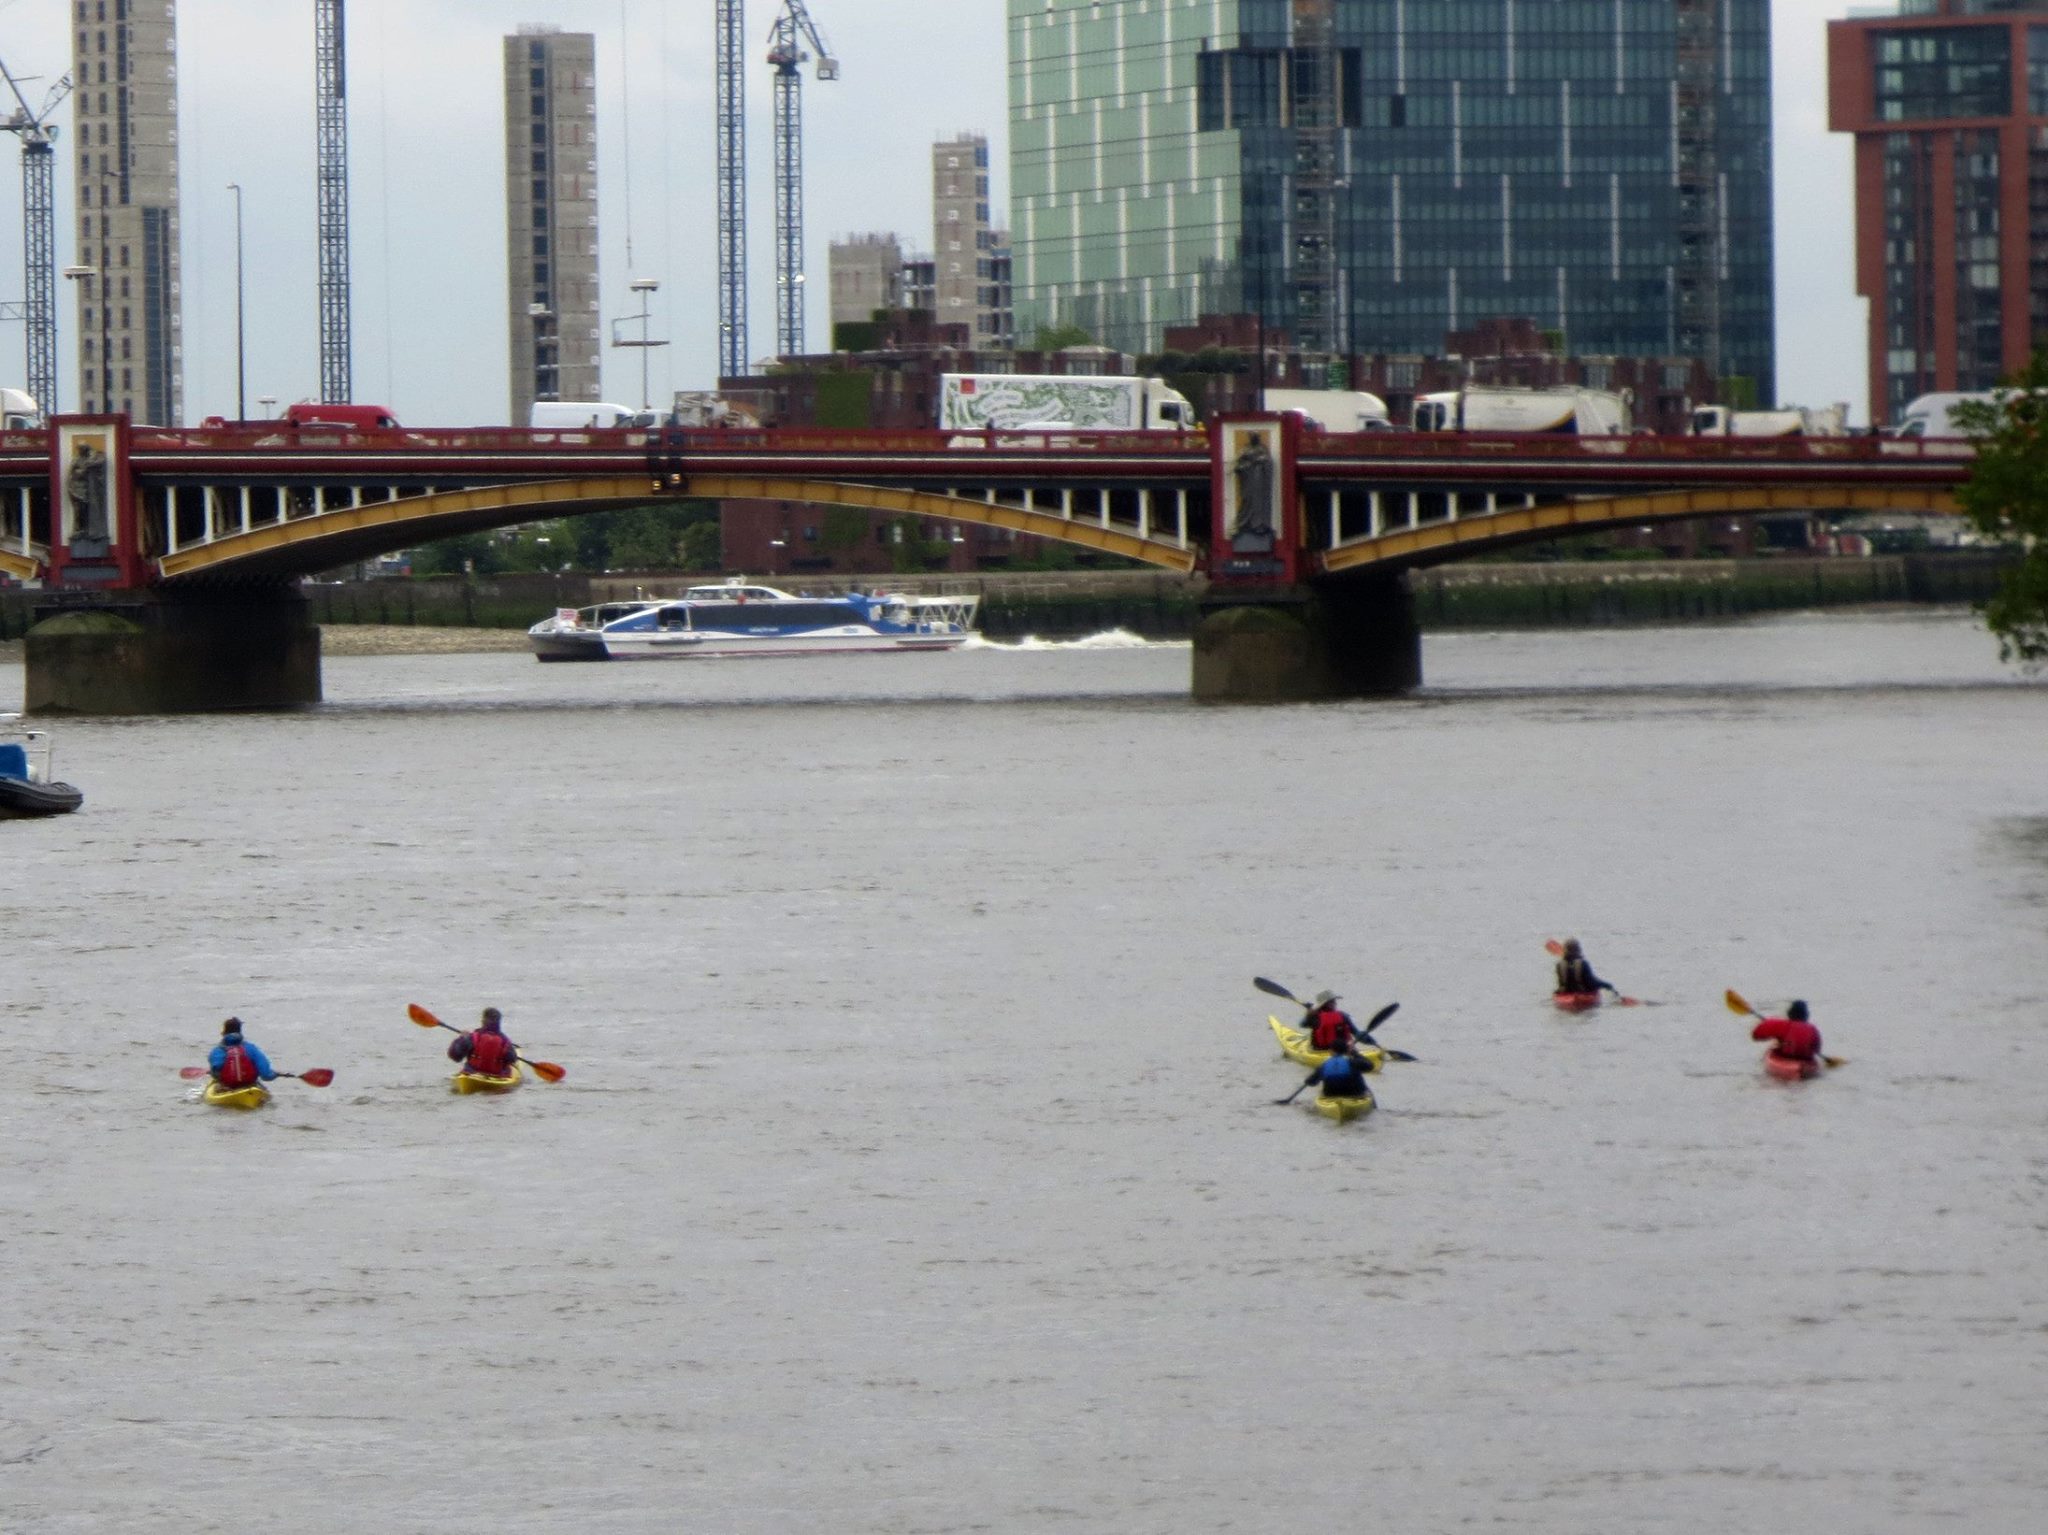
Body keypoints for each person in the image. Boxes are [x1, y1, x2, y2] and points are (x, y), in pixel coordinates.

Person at [448, 1007, 520, 1077]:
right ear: (499, 1022)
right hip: (497, 1077)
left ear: (483, 1021)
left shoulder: (473, 1037)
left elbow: (455, 1056)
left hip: (472, 1074)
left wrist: (462, 1038)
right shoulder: (505, 1041)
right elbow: (513, 1059)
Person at [208, 1017, 277, 1088]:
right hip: (250, 1086)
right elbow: (265, 1075)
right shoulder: (251, 1048)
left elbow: (215, 1072)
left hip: (227, 1087)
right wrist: (273, 1075)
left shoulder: (217, 1050)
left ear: (224, 1032)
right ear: (240, 1031)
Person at [1751, 1000, 1822, 1064]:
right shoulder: (1813, 1029)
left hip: (1786, 1056)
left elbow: (1755, 1035)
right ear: (1806, 1015)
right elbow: (1816, 1049)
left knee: (1779, 1046)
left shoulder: (1781, 1024)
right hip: (1805, 1059)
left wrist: (1776, 1035)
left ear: (1789, 1013)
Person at [1301, 990, 1359, 1054]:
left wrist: (1309, 1012)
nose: (1335, 1003)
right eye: (1333, 1001)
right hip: (1341, 1050)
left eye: (1334, 1001)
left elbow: (1302, 1024)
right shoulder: (1343, 1015)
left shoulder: (1314, 1017)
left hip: (1320, 1050)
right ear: (1325, 1004)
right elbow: (1356, 1033)